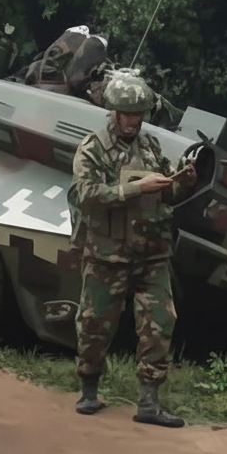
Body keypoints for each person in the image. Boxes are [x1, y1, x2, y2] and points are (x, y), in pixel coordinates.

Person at [68, 71, 197, 428]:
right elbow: (84, 196)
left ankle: (149, 401)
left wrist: (181, 183)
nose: (133, 121)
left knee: (159, 323)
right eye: (127, 114)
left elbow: (167, 193)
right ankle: (89, 388)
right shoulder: (93, 149)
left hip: (152, 254)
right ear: (113, 112)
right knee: (94, 325)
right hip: (107, 254)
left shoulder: (152, 147)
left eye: (139, 114)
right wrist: (134, 190)